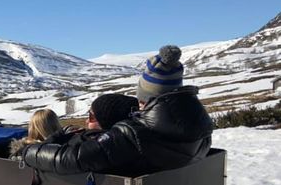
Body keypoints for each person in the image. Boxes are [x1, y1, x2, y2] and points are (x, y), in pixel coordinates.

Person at [23, 45, 213, 176]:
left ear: (146, 98)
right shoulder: (201, 129)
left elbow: (70, 159)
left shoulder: (130, 134)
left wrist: (27, 151)